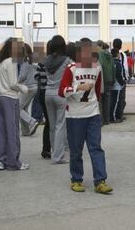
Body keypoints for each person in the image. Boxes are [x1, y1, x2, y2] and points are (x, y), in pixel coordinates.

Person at [59, 38, 113, 194]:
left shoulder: (97, 68)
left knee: (96, 147)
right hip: (75, 115)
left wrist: (97, 107)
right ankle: (76, 179)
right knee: (76, 150)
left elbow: (98, 90)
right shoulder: (71, 69)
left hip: (93, 113)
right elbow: (61, 91)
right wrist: (77, 87)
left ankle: (100, 180)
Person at [0, 38, 29, 171]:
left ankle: (1, 160)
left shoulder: (2, 62)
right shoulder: (11, 62)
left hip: (0, 97)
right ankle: (14, 162)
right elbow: (13, 84)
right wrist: (23, 88)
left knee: (2, 130)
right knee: (13, 130)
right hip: (10, 98)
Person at [44, 35, 71, 164]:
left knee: (52, 126)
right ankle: (58, 156)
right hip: (60, 94)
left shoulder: (46, 60)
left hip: (47, 93)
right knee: (61, 125)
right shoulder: (67, 61)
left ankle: (55, 152)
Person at [18, 44, 42, 136]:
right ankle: (26, 131)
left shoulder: (25, 62)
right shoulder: (33, 61)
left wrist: (15, 82)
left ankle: (32, 121)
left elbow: (22, 76)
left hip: (26, 87)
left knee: (17, 108)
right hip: (34, 87)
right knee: (24, 108)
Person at [97, 40, 115, 126]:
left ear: (99, 46)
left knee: (100, 100)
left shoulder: (99, 54)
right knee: (107, 100)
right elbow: (113, 67)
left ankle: (101, 120)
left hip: (102, 79)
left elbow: (100, 66)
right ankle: (107, 119)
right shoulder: (110, 55)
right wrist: (113, 78)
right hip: (109, 79)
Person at [112, 39, 128, 120]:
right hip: (120, 80)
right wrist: (125, 79)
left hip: (111, 80)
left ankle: (114, 114)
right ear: (121, 45)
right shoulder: (122, 55)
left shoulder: (110, 53)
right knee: (121, 98)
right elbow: (124, 68)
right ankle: (119, 115)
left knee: (113, 99)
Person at [110, 48, 124, 123]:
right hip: (117, 85)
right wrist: (122, 83)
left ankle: (112, 116)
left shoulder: (110, 62)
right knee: (115, 102)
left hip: (111, 84)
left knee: (112, 101)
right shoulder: (118, 63)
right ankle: (113, 117)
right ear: (117, 54)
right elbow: (118, 74)